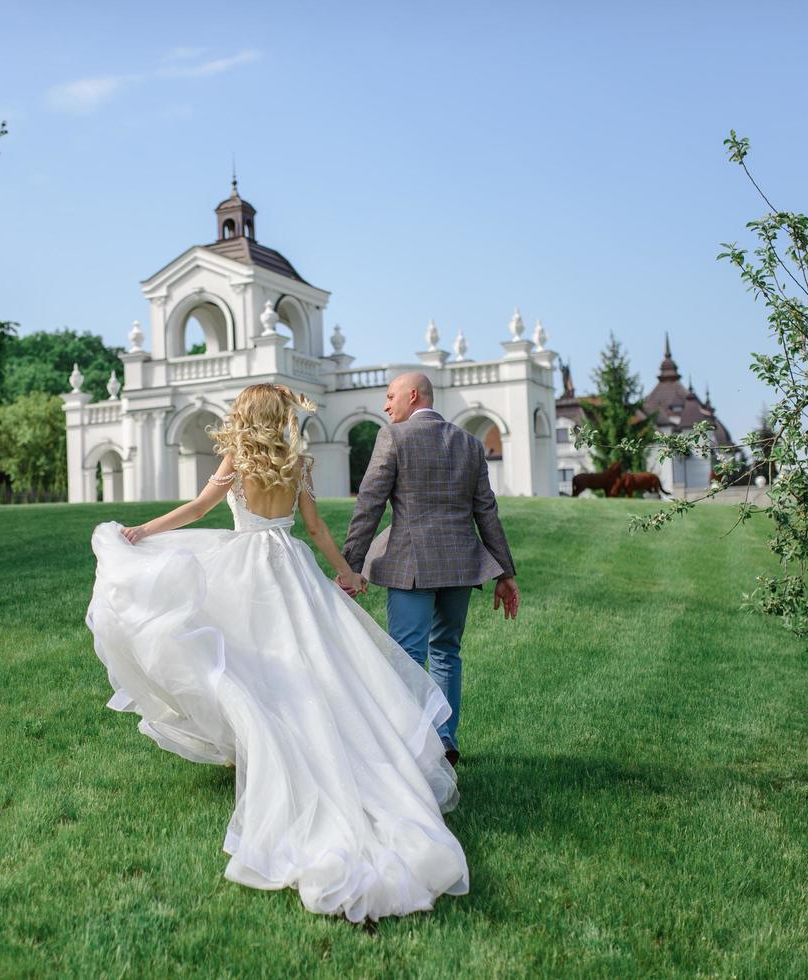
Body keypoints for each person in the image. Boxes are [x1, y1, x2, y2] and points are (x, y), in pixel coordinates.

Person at [86, 383, 467, 922]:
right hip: (290, 564)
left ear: (246, 415)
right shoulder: (297, 461)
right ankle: (300, 737)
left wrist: (143, 531)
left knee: (247, 659)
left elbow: (197, 510)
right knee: (315, 661)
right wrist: (345, 570)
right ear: (281, 416)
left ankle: (261, 741)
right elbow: (314, 527)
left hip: (245, 564)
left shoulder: (238, 459)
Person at [341, 372, 520, 767]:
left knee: (407, 655)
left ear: (413, 395)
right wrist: (505, 573)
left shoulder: (394, 438)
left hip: (411, 565)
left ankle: (410, 746)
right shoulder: (470, 444)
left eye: (390, 397)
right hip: (461, 566)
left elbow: (369, 504)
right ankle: (443, 738)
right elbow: (486, 512)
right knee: (446, 652)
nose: (386, 406)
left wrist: (350, 566)